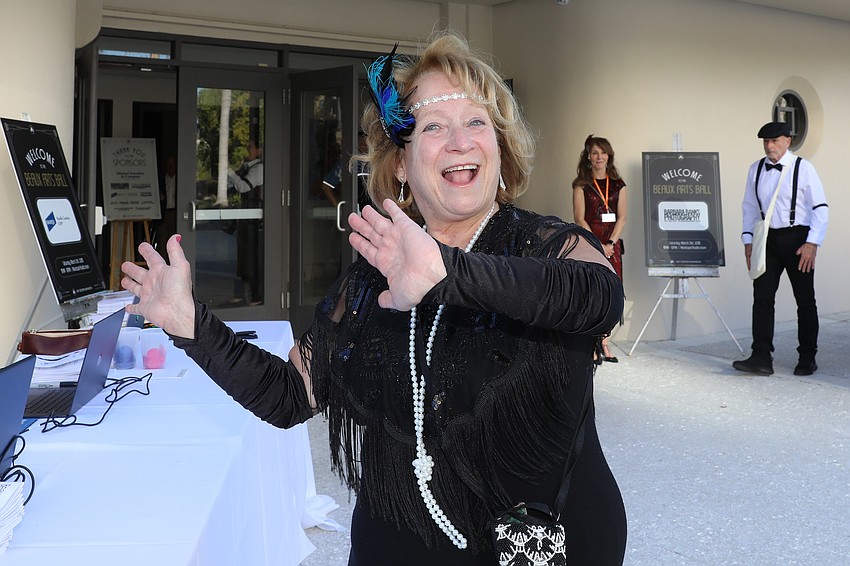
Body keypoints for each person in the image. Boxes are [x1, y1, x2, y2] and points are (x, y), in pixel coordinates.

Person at [121, 33, 627, 565]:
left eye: (476, 122)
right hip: (396, 544)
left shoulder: (546, 245)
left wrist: (448, 273)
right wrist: (190, 325)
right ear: (402, 165)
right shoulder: (369, 281)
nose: (460, 141)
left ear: (499, 149)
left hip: (538, 545)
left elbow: (599, 298)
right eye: (434, 126)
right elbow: (291, 394)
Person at [734, 121, 828, 376]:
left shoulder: (804, 168)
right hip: (768, 240)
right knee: (762, 297)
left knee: (805, 299)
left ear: (788, 140)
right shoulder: (756, 169)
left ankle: (808, 357)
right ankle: (761, 356)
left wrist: (812, 243)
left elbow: (820, 208)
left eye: (774, 141)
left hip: (799, 239)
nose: (769, 146)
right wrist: (748, 242)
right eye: (765, 141)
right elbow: (749, 208)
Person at [572, 134, 627, 364]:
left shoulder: (618, 185)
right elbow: (579, 218)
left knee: (611, 294)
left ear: (609, 156)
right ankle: (591, 344)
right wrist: (598, 246)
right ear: (588, 157)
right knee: (592, 294)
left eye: (603, 152)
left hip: (612, 247)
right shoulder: (581, 185)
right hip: (590, 246)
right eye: (594, 153)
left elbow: (622, 217)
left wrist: (611, 244)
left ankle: (604, 341)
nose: (599, 157)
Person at [226, 138, 264, 306]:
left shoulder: (259, 169)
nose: (247, 150)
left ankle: (255, 296)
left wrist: (230, 173)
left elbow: (243, 187)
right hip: (245, 217)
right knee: (242, 256)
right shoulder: (247, 167)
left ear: (259, 150)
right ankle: (241, 293)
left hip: (252, 220)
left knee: (251, 257)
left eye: (250, 147)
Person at [155, 155, 177, 252]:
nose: (170, 166)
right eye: (168, 164)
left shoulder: (180, 179)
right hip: (163, 213)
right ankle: (162, 265)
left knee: (174, 241)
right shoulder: (160, 179)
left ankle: (172, 264)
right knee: (162, 240)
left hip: (175, 213)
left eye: (172, 164)